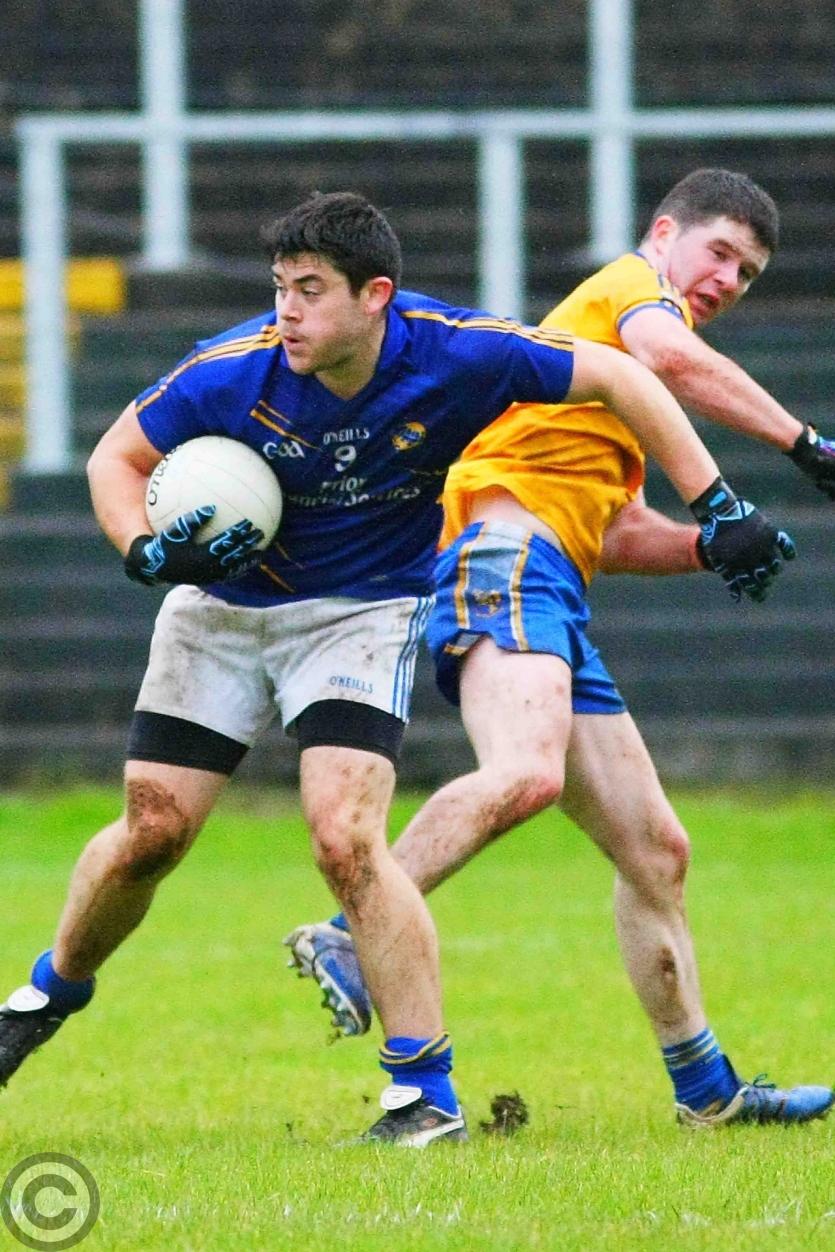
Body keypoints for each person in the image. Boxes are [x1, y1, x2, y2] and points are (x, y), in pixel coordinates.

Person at [0, 189, 792, 1146]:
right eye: (280, 288)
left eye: (309, 291)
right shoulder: (232, 368)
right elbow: (114, 460)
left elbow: (625, 378)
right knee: (152, 835)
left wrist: (714, 507)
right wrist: (143, 550)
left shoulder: (456, 351)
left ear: (374, 295)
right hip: (220, 612)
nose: (286, 311)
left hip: (359, 615)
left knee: (346, 838)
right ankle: (43, 997)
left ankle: (423, 1098)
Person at [284, 171, 835, 1128]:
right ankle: (346, 931)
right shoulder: (633, 291)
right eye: (718, 253)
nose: (727, 280)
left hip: (549, 583)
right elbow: (671, 358)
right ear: (662, 233)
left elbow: (612, 532)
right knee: (527, 773)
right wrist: (804, 444)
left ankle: (706, 1093)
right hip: (504, 558)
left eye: (745, 274)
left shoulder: (606, 399)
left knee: (656, 851)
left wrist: (709, 546)